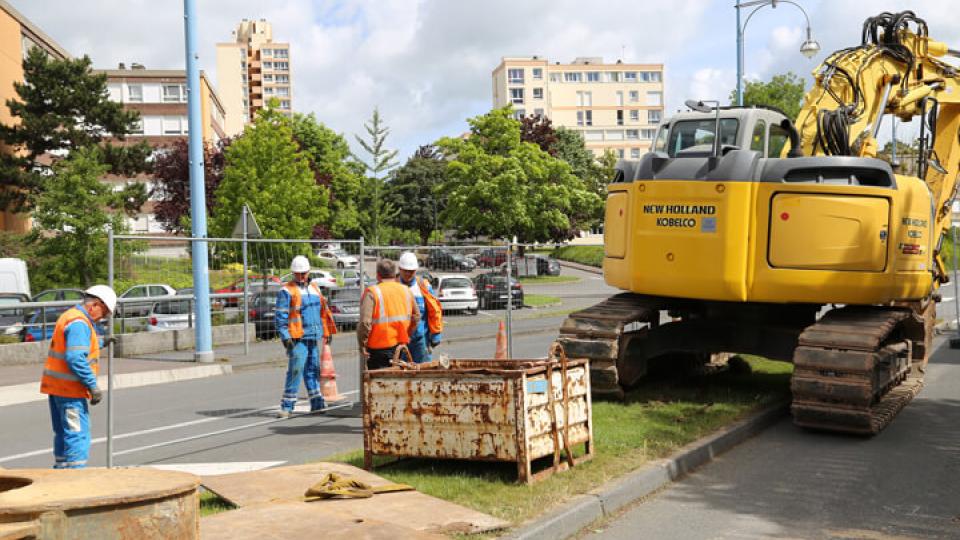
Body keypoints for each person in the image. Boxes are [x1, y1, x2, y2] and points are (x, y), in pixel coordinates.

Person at [40, 285, 116, 469]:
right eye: (104, 312)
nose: (104, 317)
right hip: (71, 392)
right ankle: (75, 477)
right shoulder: (80, 323)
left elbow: (76, 345)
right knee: (77, 434)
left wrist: (99, 342)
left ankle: (61, 473)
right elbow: (75, 357)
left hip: (58, 389)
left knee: (63, 433)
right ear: (95, 305)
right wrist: (92, 385)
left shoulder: (71, 316)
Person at [275, 255, 337, 418]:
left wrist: (327, 330)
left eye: (303, 273)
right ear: (293, 273)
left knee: (312, 370)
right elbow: (281, 316)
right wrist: (285, 337)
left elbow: (323, 313)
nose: (301, 276)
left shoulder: (315, 288)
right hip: (297, 338)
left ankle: (317, 403)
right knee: (295, 370)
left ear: (308, 271)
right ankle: (287, 407)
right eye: (298, 273)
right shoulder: (286, 291)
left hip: (313, 336)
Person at [357, 259, 420, 370]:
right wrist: (408, 333)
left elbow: (365, 322)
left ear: (378, 275)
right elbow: (416, 317)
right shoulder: (406, 290)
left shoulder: (372, 292)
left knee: (379, 383)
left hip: (377, 349)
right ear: (394, 273)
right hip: (400, 347)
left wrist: (362, 344)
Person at [397, 251, 443, 363]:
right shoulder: (394, 286)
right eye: (405, 271)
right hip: (399, 340)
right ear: (400, 269)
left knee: (422, 375)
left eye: (411, 271)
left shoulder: (424, 286)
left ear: (416, 270)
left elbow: (434, 311)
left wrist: (436, 335)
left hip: (421, 339)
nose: (408, 274)